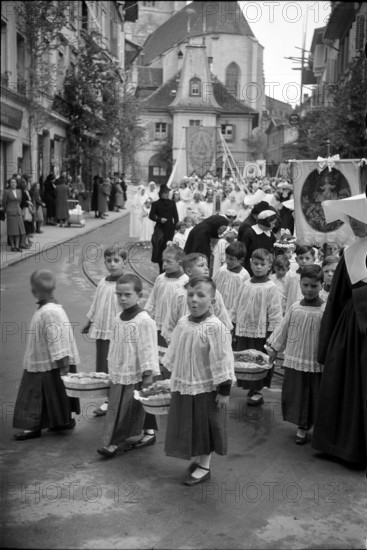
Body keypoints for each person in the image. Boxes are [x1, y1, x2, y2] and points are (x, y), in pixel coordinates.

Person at [161, 276, 236, 485]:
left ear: (212, 301)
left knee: (205, 425)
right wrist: (168, 374)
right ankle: (198, 457)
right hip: (185, 383)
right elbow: (175, 350)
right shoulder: (184, 322)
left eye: (201, 295)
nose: (194, 300)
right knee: (189, 422)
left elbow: (223, 359)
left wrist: (224, 390)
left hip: (206, 387)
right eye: (191, 295)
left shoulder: (216, 327)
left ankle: (205, 465)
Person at [312, 192, 367, 466]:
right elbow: (337, 297)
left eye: (359, 218)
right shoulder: (350, 252)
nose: (354, 224)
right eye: (351, 218)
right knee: (346, 383)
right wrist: (327, 342)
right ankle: (344, 445)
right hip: (352, 329)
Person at [97, 274, 160, 458]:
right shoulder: (118, 318)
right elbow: (115, 344)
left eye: (127, 294)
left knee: (128, 408)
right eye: (119, 295)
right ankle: (148, 432)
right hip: (120, 371)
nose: (122, 299)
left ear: (139, 295)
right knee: (122, 406)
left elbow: (148, 348)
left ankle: (113, 443)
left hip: (137, 372)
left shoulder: (144, 321)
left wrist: (148, 374)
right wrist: (112, 367)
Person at [13, 269, 80, 440]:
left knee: (35, 394)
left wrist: (63, 364)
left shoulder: (49, 312)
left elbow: (57, 340)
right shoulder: (52, 308)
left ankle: (32, 426)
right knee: (56, 394)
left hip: (49, 361)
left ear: (34, 292)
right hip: (48, 360)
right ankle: (61, 421)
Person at [267, 265, 326, 444]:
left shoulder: (325, 310)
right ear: (300, 284)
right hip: (294, 358)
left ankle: (316, 425)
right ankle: (301, 425)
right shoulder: (294, 307)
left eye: (314, 286)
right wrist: (274, 349)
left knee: (314, 393)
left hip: (315, 360)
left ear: (321, 286)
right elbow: (283, 329)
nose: (309, 289)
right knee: (297, 392)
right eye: (305, 285)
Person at [232, 248, 283, 406]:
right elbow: (237, 305)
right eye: (255, 263)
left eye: (262, 264)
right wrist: (233, 324)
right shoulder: (245, 284)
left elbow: (275, 311)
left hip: (262, 332)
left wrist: (272, 334)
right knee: (246, 358)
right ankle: (250, 387)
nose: (258, 267)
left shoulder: (271, 287)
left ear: (269, 266)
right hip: (245, 330)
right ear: (250, 264)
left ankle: (258, 390)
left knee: (260, 360)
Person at [81, 245, 127, 416]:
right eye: (109, 261)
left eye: (116, 260)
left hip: (119, 333)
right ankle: (109, 400)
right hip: (102, 330)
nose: (112, 264)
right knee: (104, 366)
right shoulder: (102, 282)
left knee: (119, 365)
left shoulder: (126, 282)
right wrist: (90, 321)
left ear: (124, 262)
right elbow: (96, 303)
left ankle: (120, 399)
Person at [161, 253, 233, 345]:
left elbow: (222, 317)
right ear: (189, 271)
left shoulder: (214, 293)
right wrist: (173, 344)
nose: (206, 268)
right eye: (201, 265)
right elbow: (170, 321)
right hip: (183, 343)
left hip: (207, 344)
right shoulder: (179, 294)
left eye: (206, 265)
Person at [144, 244, 188, 352]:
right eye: (163, 261)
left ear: (179, 263)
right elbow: (152, 299)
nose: (164, 264)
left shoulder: (185, 281)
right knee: (160, 353)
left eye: (169, 261)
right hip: (159, 324)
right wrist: (146, 314)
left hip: (175, 327)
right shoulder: (160, 279)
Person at [213, 241, 250, 313]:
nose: (227, 261)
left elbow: (245, 297)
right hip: (217, 308)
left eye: (231, 259)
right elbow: (213, 285)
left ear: (241, 260)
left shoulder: (244, 275)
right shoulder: (221, 270)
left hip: (233, 312)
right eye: (227, 257)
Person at [149, 185, 179, 273]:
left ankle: (170, 269)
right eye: (165, 193)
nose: (167, 194)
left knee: (169, 248)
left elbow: (176, 216)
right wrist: (159, 219)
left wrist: (175, 228)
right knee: (160, 249)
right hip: (160, 229)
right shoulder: (155, 204)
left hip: (170, 229)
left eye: (168, 193)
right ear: (161, 194)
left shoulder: (172, 203)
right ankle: (161, 270)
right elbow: (151, 216)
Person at [240, 209, 278, 275]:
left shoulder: (271, 235)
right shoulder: (250, 233)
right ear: (266, 222)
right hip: (251, 269)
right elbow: (243, 252)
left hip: (265, 269)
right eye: (272, 223)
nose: (274, 225)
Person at [283, 245, 316, 313]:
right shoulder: (290, 275)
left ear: (314, 259)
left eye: (307, 258)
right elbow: (285, 294)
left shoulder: (316, 276)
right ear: (296, 260)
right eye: (301, 258)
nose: (304, 261)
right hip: (292, 310)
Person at [2, 177, 26, 252]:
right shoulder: (6, 192)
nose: (13, 184)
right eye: (12, 182)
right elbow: (4, 202)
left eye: (14, 182)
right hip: (11, 212)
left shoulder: (19, 191)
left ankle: (17, 246)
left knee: (19, 230)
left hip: (18, 212)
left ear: (16, 183)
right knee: (12, 230)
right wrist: (7, 209)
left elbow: (20, 201)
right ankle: (12, 246)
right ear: (9, 183)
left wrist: (18, 208)